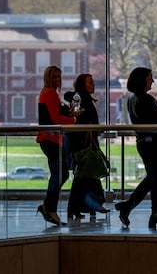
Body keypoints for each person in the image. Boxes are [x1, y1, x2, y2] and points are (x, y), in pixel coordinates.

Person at [114, 67, 157, 229]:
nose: (153, 81)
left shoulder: (132, 99)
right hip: (155, 144)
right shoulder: (145, 100)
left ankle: (152, 214)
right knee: (156, 178)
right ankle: (135, 208)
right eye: (150, 77)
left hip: (144, 143)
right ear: (142, 79)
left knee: (154, 179)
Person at [64, 73, 110, 220]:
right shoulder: (81, 98)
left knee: (84, 176)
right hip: (84, 143)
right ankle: (88, 205)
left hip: (85, 142)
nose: (93, 85)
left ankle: (80, 207)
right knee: (85, 176)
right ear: (83, 85)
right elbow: (76, 115)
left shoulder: (84, 98)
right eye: (90, 83)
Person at [36, 65, 76, 226]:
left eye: (59, 76)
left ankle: (48, 207)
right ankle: (49, 208)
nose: (57, 80)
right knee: (60, 174)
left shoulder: (47, 93)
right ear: (48, 78)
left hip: (49, 140)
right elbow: (54, 118)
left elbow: (55, 114)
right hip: (50, 140)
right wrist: (73, 120)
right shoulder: (50, 93)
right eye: (54, 77)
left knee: (60, 174)